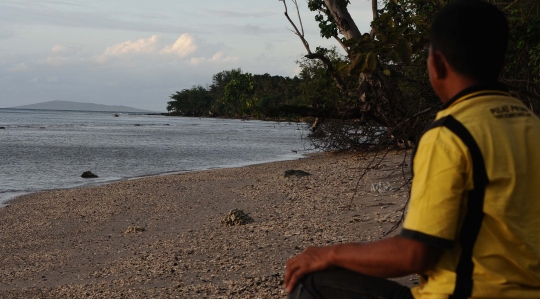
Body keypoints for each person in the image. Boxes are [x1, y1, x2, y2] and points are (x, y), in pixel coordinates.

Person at [283, 1, 540, 298]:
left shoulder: (450, 134)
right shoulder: (531, 124)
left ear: (437, 65)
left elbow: (415, 254)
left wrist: (329, 254)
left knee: (311, 284)